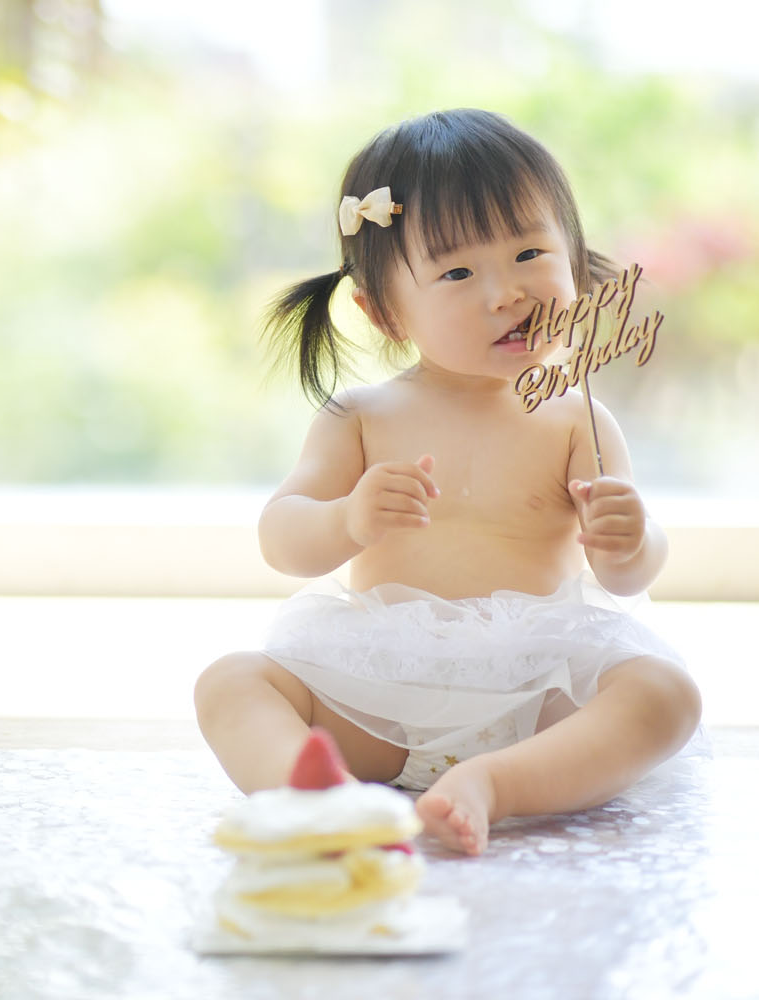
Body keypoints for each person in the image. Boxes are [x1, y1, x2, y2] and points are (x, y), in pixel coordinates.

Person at [193, 109, 702, 856]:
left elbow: (624, 578)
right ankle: (317, 799)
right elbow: (282, 536)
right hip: (382, 687)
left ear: (575, 261)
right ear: (383, 310)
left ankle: (497, 782)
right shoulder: (361, 415)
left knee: (665, 696)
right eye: (458, 272)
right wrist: (348, 521)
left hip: (537, 689)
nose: (507, 294)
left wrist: (630, 539)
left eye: (531, 253)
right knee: (231, 682)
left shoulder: (573, 419)